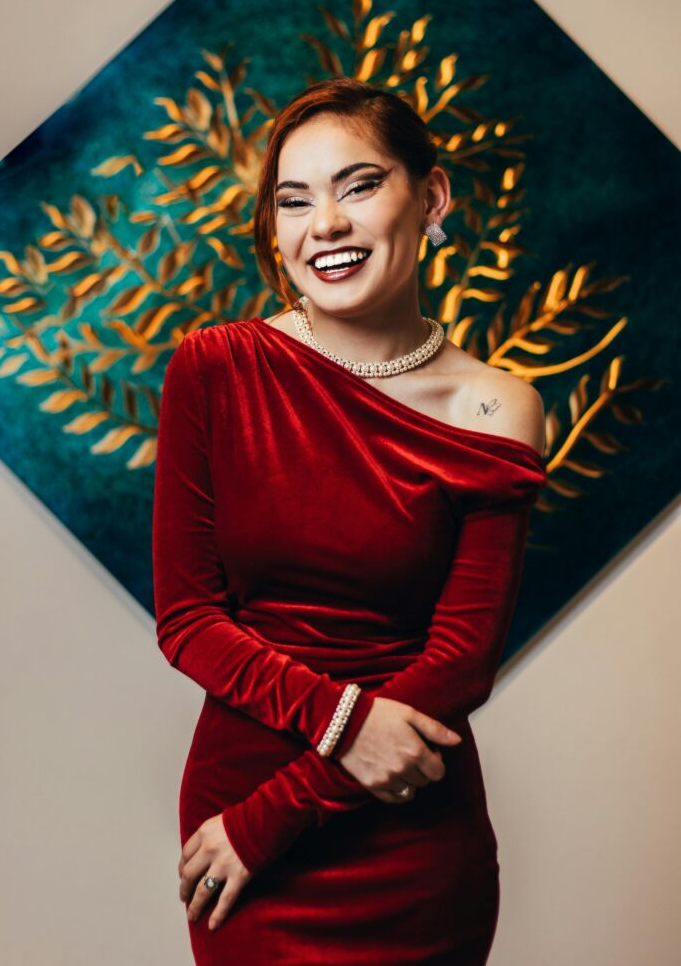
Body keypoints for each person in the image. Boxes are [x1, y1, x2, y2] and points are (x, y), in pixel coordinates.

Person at [152, 76, 546, 964]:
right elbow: (187, 620)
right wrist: (339, 734)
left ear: (431, 197)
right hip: (245, 833)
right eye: (294, 201)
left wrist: (283, 809)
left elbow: (462, 662)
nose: (323, 224)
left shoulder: (497, 408)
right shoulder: (214, 369)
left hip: (407, 833)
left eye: (357, 186)